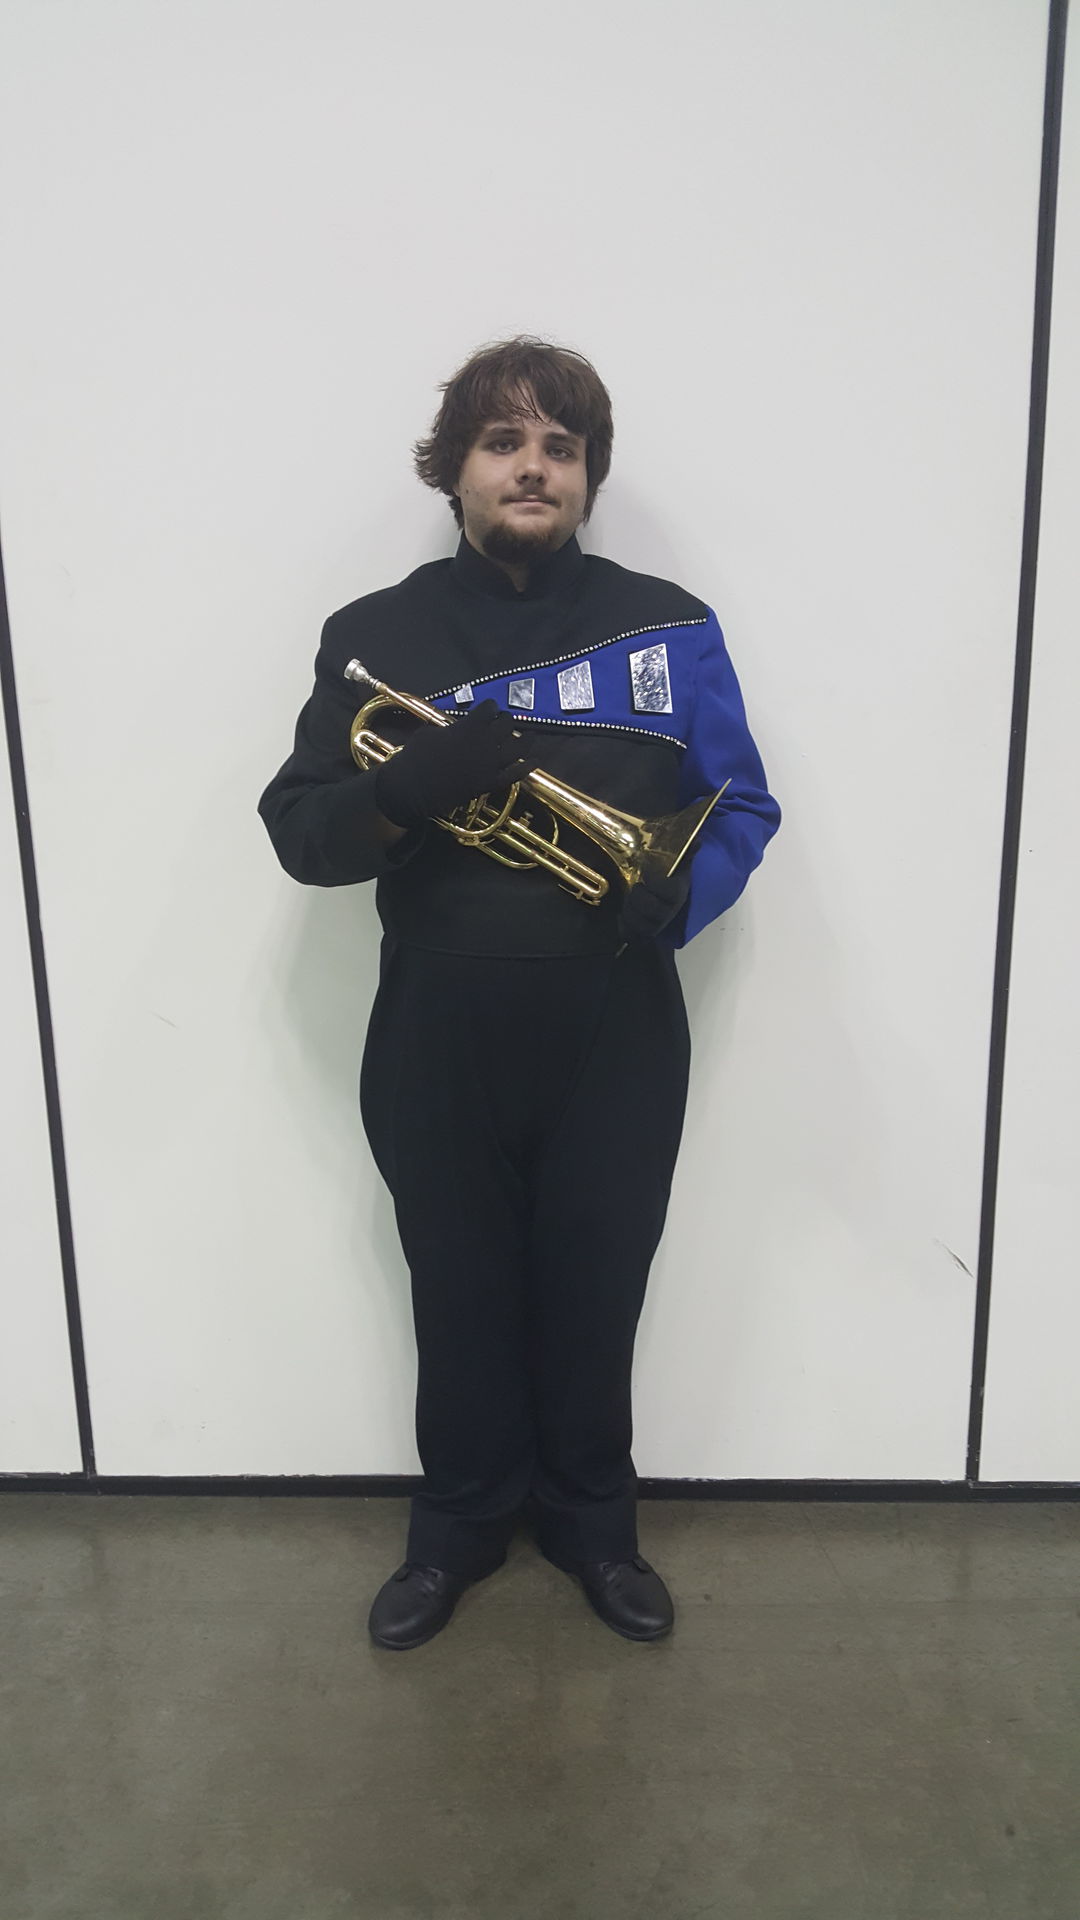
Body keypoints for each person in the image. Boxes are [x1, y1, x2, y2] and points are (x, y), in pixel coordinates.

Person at [258, 336, 780, 1651]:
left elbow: (741, 806)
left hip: (615, 1021)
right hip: (435, 1025)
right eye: (503, 443)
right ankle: (458, 1528)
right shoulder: (374, 639)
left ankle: (597, 1526)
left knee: (600, 1284)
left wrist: (685, 894)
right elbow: (302, 834)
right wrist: (401, 791)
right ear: (456, 470)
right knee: (458, 1287)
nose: (533, 467)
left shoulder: (670, 625)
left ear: (589, 474)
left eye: (561, 446)